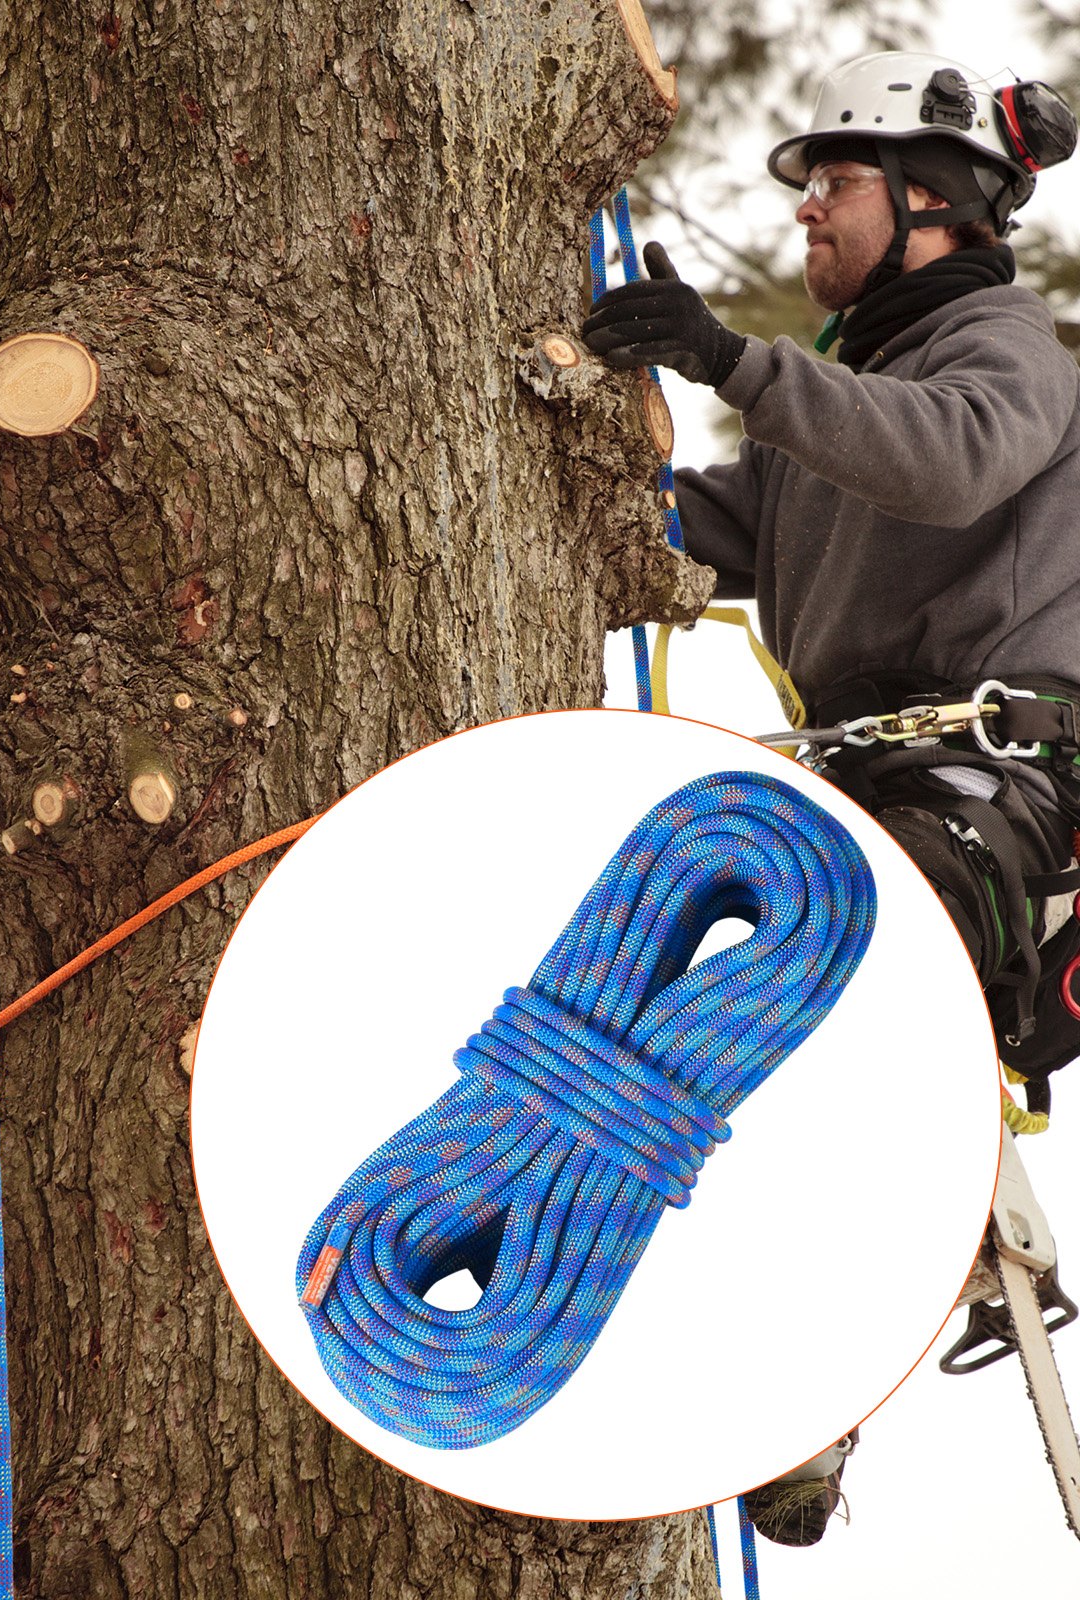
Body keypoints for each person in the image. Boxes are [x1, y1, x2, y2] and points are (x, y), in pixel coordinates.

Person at [582, 51, 1080, 1547]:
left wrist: (732, 363)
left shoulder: (1007, 351)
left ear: (935, 203)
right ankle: (780, 1337)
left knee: (828, 982)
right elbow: (723, 526)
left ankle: (826, 1369)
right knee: (660, 988)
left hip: (1002, 786)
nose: (805, 210)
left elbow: (952, 465)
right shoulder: (849, 393)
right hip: (873, 789)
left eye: (837, 183)